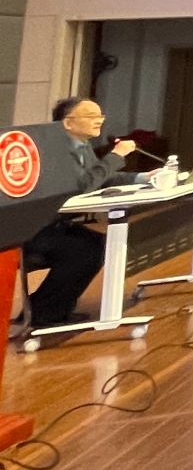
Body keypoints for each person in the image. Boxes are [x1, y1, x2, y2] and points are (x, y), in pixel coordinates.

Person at [20, 98, 135, 328]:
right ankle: (41, 314)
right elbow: (82, 186)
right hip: (33, 229)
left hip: (55, 225)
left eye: (100, 115)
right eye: (91, 116)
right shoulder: (54, 151)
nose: (99, 120)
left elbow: (102, 178)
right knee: (83, 250)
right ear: (68, 123)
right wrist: (116, 156)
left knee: (99, 244)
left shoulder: (82, 146)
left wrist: (144, 177)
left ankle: (50, 309)